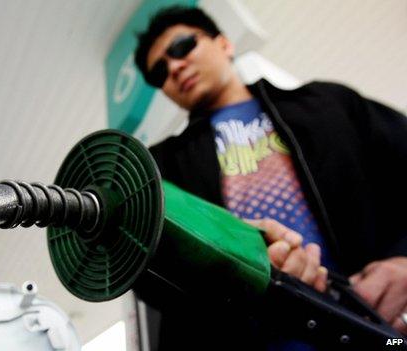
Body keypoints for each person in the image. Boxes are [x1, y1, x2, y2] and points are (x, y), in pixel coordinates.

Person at [131, 5, 407, 350]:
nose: (173, 67)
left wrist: (403, 260)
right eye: (158, 72)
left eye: (182, 46)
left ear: (224, 44)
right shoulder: (161, 168)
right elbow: (147, 273)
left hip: (384, 330)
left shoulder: (328, 102)